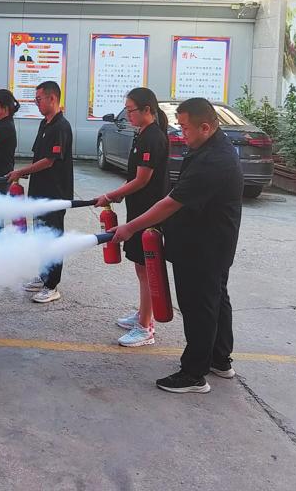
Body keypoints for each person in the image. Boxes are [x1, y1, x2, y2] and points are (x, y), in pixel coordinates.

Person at [111, 97, 242, 394]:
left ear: (205, 127)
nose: (181, 134)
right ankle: (219, 359)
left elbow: (172, 202)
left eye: (185, 128)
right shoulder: (211, 146)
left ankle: (193, 374)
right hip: (211, 244)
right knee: (216, 301)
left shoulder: (213, 160)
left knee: (198, 308)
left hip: (202, 247)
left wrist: (130, 227)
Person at [92, 88, 169, 348]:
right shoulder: (143, 134)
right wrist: (118, 196)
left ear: (147, 109)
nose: (128, 115)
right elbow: (135, 178)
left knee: (147, 269)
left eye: (131, 110)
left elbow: (142, 180)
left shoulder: (153, 138)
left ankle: (145, 327)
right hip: (139, 209)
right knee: (140, 267)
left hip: (148, 213)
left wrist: (111, 195)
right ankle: (143, 313)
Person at [7, 81, 73, 304]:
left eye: (38, 99)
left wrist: (22, 171)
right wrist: (27, 173)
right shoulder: (45, 124)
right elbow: (39, 156)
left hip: (55, 194)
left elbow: (49, 161)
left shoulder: (61, 127)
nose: (36, 104)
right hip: (40, 191)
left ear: (52, 98)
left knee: (52, 238)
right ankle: (44, 275)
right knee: (41, 235)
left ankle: (52, 285)